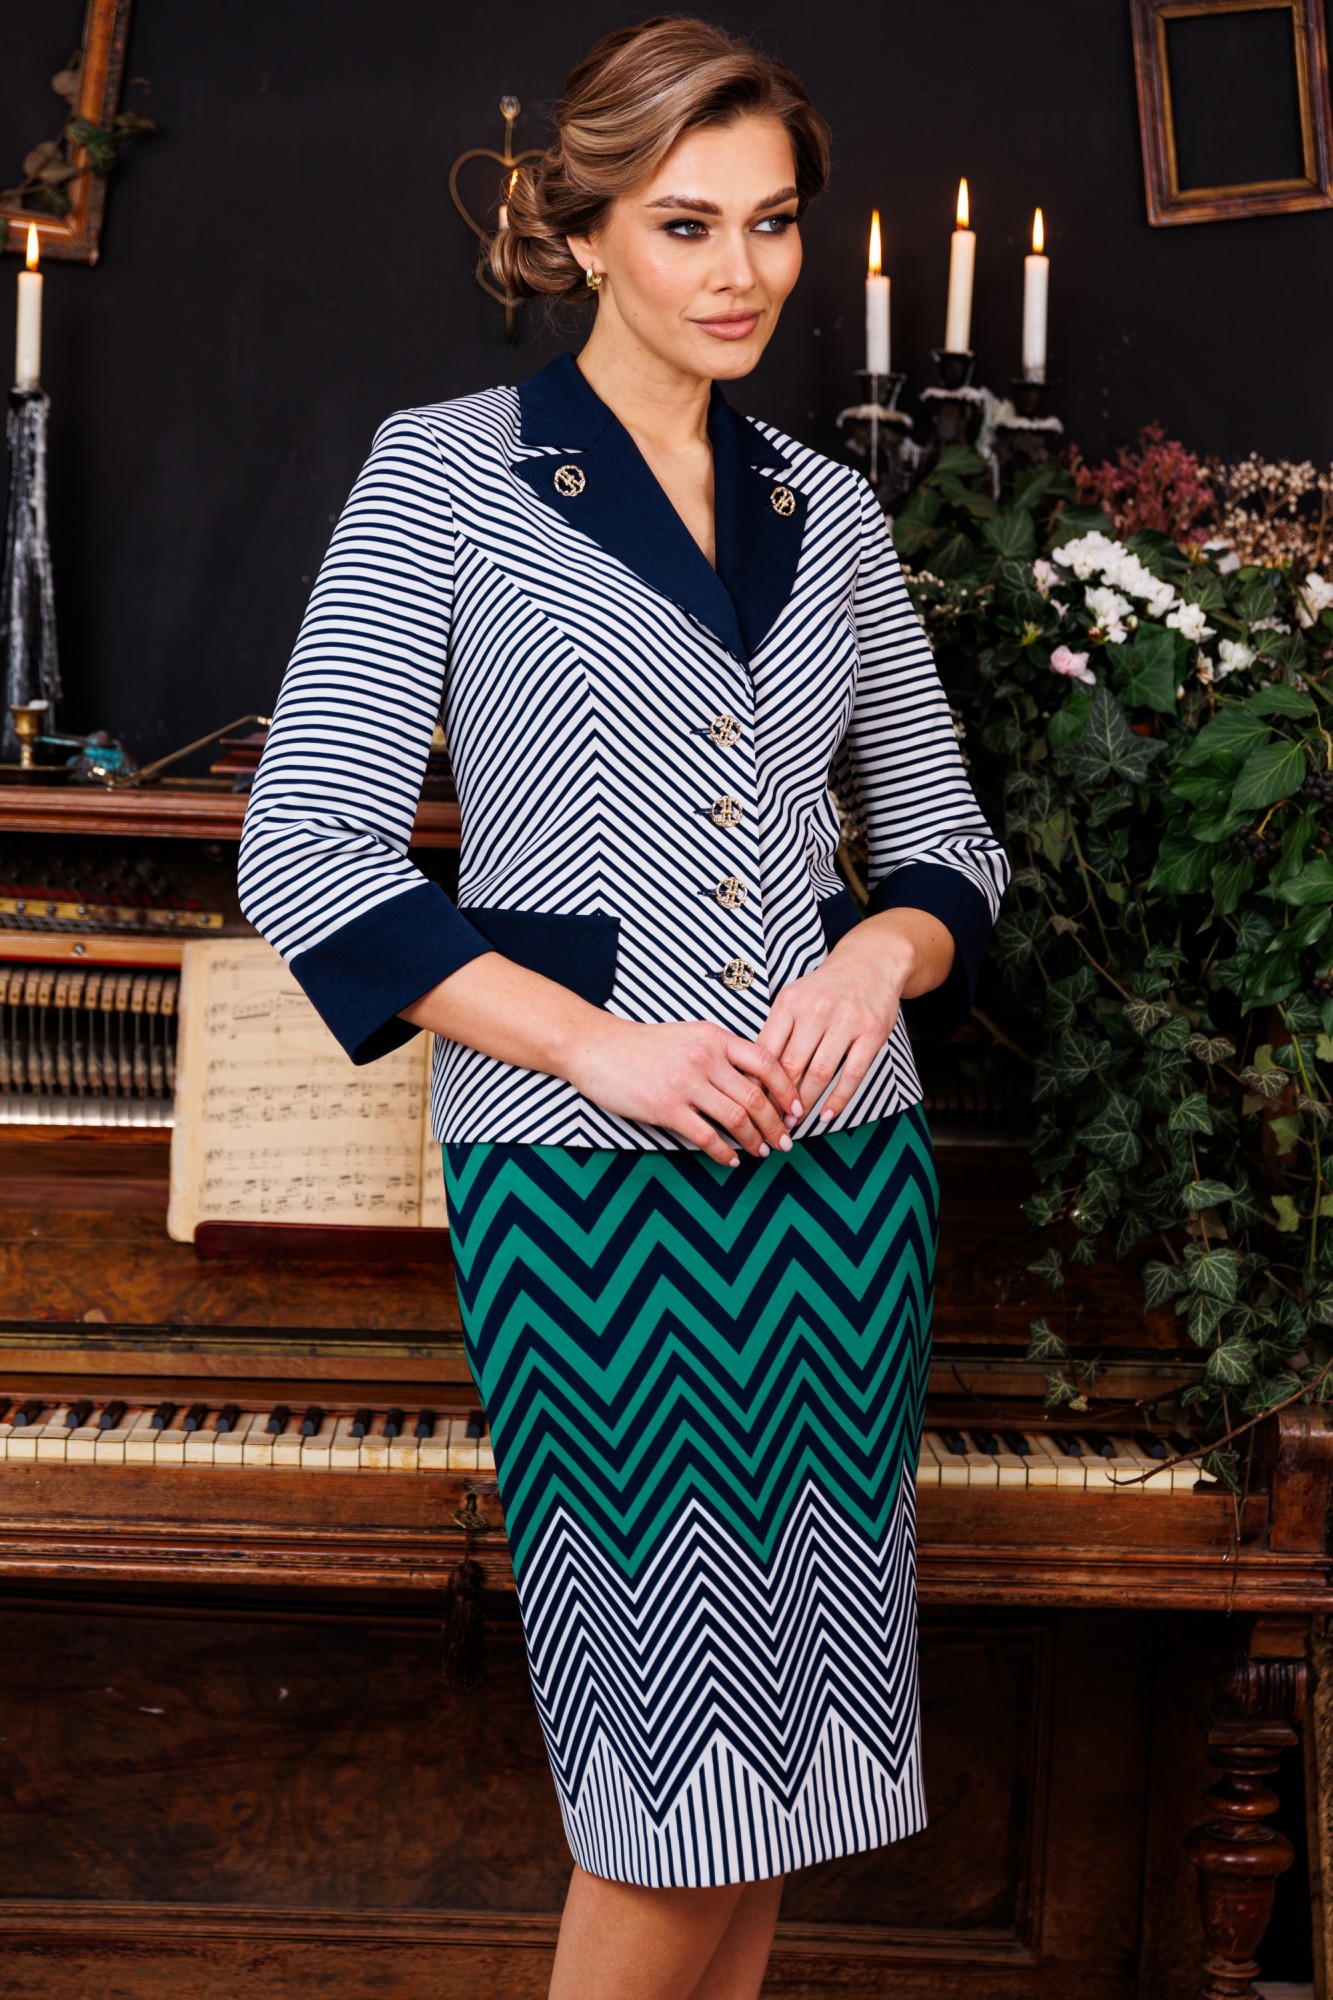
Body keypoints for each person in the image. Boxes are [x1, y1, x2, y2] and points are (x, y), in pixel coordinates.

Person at [237, 13, 1010, 1997]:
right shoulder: (446, 473)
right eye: (684, 224)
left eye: (771, 221)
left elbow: (947, 845)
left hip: (842, 1188)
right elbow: (306, 848)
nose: (741, 270)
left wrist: (876, 954)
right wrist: (600, 1043)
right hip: (587, 1191)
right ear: (576, 232)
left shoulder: (831, 511)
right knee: (669, 1789)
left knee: (790, 1791)